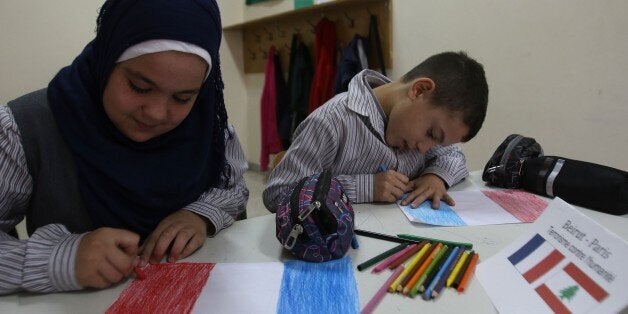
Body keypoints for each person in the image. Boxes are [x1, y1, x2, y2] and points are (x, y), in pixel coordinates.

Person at [0, 0, 249, 294]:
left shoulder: (207, 122)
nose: (157, 113)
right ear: (107, 60)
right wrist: (62, 259)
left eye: (182, 98)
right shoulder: (23, 129)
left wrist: (200, 214)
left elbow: (233, 187)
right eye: (140, 87)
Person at [263, 51, 488, 212]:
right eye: (431, 134)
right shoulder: (332, 121)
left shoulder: (418, 135)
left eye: (438, 144)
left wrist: (435, 177)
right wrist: (365, 187)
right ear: (419, 90)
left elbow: (453, 156)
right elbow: (278, 194)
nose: (424, 149)